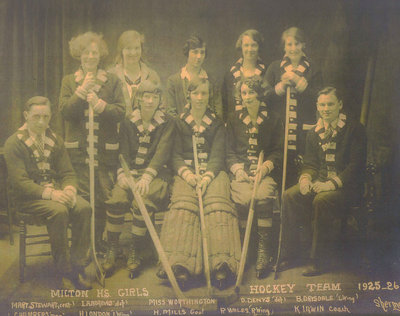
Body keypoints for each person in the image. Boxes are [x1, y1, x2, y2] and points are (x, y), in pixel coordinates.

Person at [158, 78, 241, 290]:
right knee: (184, 205)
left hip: (212, 174)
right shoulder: (178, 122)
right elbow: (174, 155)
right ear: (189, 96)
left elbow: (218, 155)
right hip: (187, 175)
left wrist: (206, 177)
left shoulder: (216, 123)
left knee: (217, 204)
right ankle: (180, 264)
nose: (200, 98)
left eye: (204, 94)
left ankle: (221, 263)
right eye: (196, 94)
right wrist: (188, 175)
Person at [4, 96, 92, 289]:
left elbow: (68, 172)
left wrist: (69, 190)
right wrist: (52, 195)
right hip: (28, 199)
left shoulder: (54, 139)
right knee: (58, 211)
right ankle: (64, 271)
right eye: (36, 117)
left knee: (84, 207)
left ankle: (77, 265)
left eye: (46, 116)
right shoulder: (14, 143)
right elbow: (21, 183)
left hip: (55, 194)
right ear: (26, 116)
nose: (42, 122)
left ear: (51, 116)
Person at [279, 86, 367, 276]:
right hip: (320, 183)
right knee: (289, 195)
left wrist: (330, 184)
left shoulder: (354, 129)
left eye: (330, 104)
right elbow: (310, 162)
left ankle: (318, 260)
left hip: (347, 187)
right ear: (317, 106)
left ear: (340, 105)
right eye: (322, 105)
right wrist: (305, 179)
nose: (326, 109)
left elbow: (355, 166)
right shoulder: (313, 132)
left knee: (322, 199)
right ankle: (291, 253)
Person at [59, 32, 125, 254]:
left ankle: (98, 245)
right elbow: (65, 112)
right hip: (78, 155)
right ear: (79, 54)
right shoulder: (69, 81)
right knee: (83, 201)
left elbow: (120, 112)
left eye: (94, 52)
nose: (90, 56)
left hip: (104, 155)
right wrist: (82, 91)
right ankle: (82, 247)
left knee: (101, 200)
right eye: (86, 52)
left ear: (100, 55)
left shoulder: (113, 81)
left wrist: (99, 104)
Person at [103, 80, 175, 278]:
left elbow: (162, 153)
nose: (150, 101)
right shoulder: (127, 122)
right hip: (130, 173)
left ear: (160, 100)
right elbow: (123, 152)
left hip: (157, 175)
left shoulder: (167, 123)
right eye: (146, 97)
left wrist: (147, 177)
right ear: (139, 99)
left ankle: (135, 250)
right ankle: (113, 248)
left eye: (155, 97)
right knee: (116, 198)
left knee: (141, 200)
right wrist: (123, 176)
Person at [226, 77, 283, 279]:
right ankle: (246, 248)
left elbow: (277, 151)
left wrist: (265, 167)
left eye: (251, 93)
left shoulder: (273, 119)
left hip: (263, 172)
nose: (247, 97)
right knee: (243, 198)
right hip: (242, 173)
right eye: (243, 93)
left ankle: (263, 249)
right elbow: (229, 151)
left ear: (259, 94)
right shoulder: (234, 119)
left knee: (262, 196)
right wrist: (238, 170)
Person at [265, 27, 323, 187]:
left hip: (303, 132)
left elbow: (321, 99)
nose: (293, 48)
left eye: (297, 44)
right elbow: (264, 96)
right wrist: (281, 86)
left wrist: (300, 84)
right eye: (289, 44)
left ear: (303, 45)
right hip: (279, 130)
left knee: (302, 170)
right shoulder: (275, 67)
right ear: (284, 47)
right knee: (279, 170)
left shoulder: (313, 69)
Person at [166, 35, 222, 119]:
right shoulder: (174, 81)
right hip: (180, 130)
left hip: (207, 129)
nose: (199, 56)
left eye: (202, 52)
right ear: (187, 53)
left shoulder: (212, 81)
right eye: (195, 52)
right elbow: (171, 113)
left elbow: (218, 113)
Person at [108, 30, 161, 117]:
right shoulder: (111, 75)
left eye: (137, 48)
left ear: (141, 49)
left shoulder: (152, 75)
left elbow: (160, 107)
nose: (133, 53)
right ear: (121, 50)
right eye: (128, 48)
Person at [222, 29, 270, 122]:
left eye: (254, 45)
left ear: (259, 47)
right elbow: (225, 105)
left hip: (262, 125)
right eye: (246, 45)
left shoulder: (266, 72)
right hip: (236, 128)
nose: (250, 49)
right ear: (241, 47)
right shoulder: (230, 75)